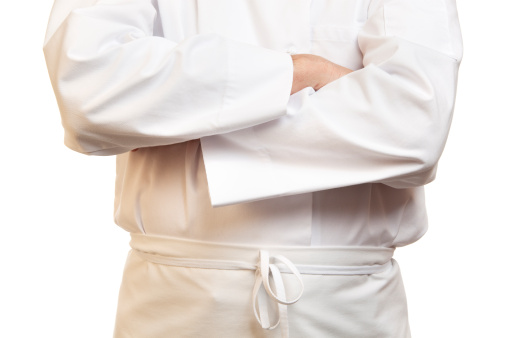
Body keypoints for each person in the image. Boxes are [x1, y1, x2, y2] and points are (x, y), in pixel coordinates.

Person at [43, 0, 463, 337]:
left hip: (351, 304)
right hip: (174, 303)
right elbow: (88, 91)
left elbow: (415, 127)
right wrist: (300, 72)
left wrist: (184, 112)